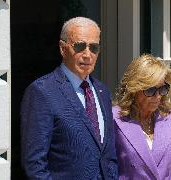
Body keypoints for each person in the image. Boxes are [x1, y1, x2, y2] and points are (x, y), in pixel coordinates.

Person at [20, 17, 118, 179]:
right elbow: (34, 163)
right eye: (80, 46)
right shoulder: (42, 91)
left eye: (94, 48)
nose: (87, 54)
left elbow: (108, 155)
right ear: (62, 48)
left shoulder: (102, 91)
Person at [113, 54, 171, 180]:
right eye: (150, 90)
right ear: (134, 90)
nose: (158, 97)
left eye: (162, 89)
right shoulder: (115, 119)